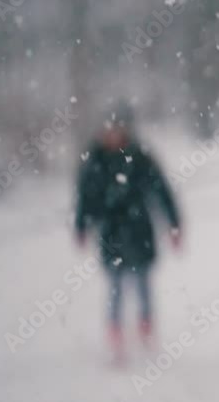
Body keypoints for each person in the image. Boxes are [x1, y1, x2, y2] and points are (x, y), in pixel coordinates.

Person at [74, 105, 181, 366]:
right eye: (110, 130)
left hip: (139, 229)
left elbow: (162, 192)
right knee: (115, 287)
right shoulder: (95, 161)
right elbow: (85, 198)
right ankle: (116, 338)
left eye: (118, 129)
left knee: (143, 283)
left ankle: (146, 331)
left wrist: (174, 224)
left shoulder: (141, 158)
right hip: (111, 233)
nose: (113, 135)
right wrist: (81, 226)